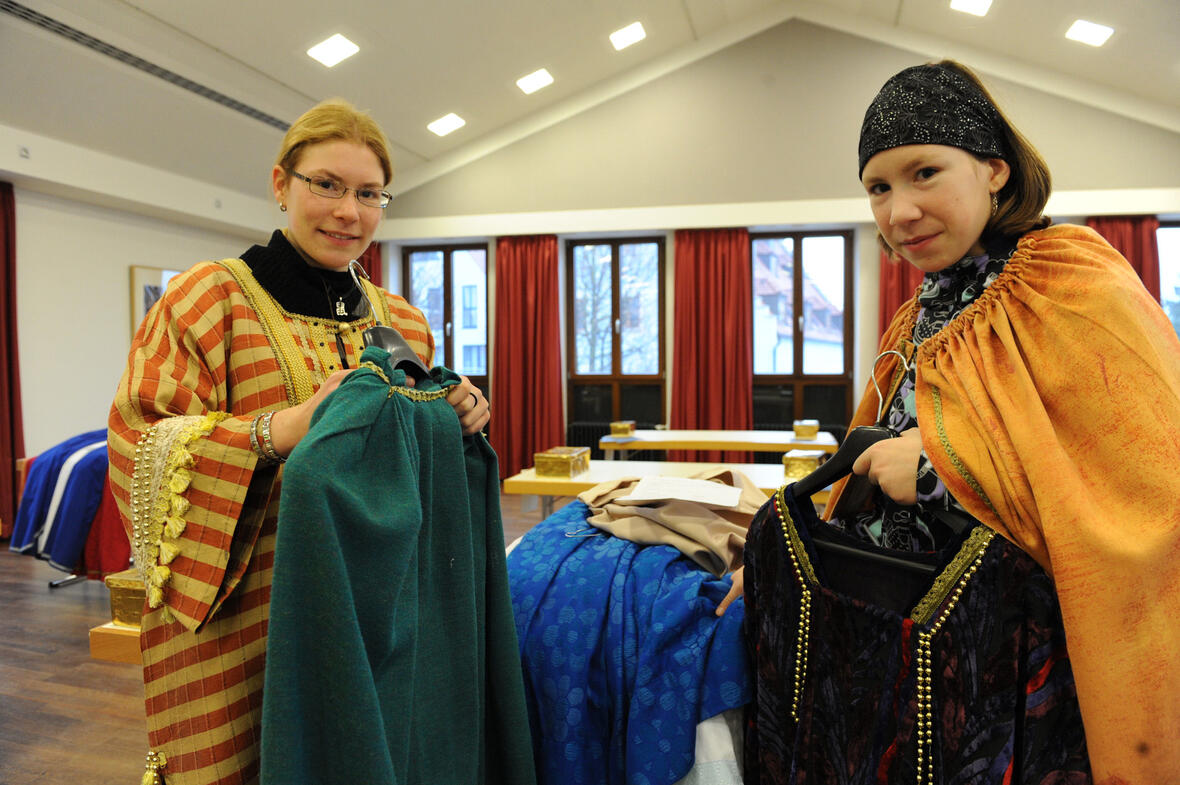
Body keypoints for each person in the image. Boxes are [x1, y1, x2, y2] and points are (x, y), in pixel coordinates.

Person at [727, 61, 1180, 783]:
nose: (898, 211)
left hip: (1019, 682)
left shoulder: (1069, 277)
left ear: (994, 169)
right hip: (905, 655)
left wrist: (938, 471)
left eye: (925, 172)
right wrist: (782, 556)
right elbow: (860, 468)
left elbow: (1151, 483)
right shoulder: (914, 316)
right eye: (878, 187)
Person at [108, 99, 498, 784]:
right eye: (326, 184)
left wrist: (460, 413)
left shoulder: (401, 318)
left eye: (368, 193)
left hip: (372, 610)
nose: (349, 211)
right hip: (241, 623)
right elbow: (141, 448)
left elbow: (417, 473)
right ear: (281, 184)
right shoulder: (208, 299)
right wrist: (277, 430)